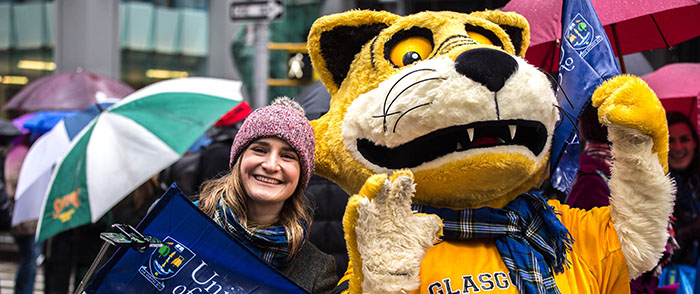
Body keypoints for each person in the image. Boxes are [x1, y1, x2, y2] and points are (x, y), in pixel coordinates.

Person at [197, 97, 337, 294]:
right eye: (260, 150)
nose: (271, 165)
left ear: (301, 174)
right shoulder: (183, 223)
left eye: (287, 156)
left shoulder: (317, 270)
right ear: (239, 158)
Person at [666, 111, 700, 268]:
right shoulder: (652, 189)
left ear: (694, 143)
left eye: (684, 139)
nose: (678, 147)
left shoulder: (696, 183)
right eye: (670, 141)